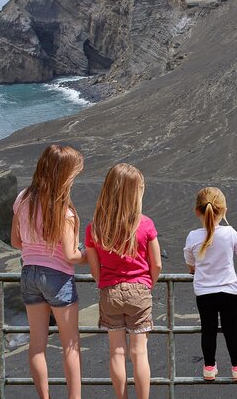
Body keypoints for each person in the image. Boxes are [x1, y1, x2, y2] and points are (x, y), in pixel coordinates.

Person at [11, 144, 87, 399]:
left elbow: (16, 241)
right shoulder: (63, 211)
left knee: (37, 345)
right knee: (71, 345)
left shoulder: (23, 199)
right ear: (63, 175)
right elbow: (70, 255)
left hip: (29, 273)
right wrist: (90, 255)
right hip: (57, 277)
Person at [85, 163, 161, 399]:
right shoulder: (145, 224)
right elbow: (156, 264)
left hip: (110, 291)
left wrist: (105, 283)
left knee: (116, 352)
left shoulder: (95, 226)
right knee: (139, 352)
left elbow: (94, 267)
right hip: (139, 290)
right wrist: (148, 284)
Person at [184, 187, 237, 382]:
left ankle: (209, 367)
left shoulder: (193, 236)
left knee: (208, 330)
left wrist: (194, 271)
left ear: (197, 211)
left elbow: (190, 264)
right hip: (227, 290)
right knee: (231, 330)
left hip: (203, 292)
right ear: (224, 210)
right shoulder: (230, 233)